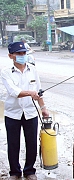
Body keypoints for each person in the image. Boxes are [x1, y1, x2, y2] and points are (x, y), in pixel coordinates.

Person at [1, 42, 49, 180]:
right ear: (11, 56)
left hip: (30, 113)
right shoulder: (6, 72)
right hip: (12, 113)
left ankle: (29, 170)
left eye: (24, 53)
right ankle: (15, 172)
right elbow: (13, 91)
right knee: (13, 144)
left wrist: (43, 108)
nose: (22, 56)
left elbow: (39, 91)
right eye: (19, 53)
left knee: (32, 143)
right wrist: (30, 93)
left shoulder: (33, 70)